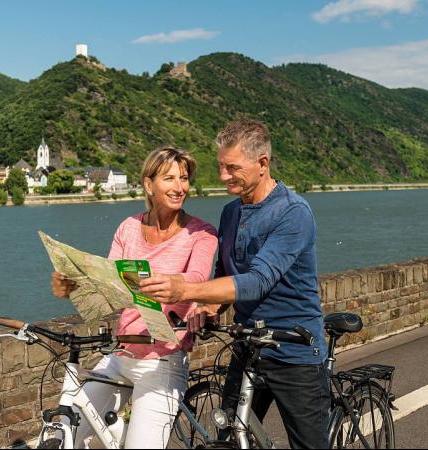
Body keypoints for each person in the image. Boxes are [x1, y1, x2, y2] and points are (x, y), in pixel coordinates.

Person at [140, 119, 330, 449]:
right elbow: (224, 271)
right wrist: (211, 305)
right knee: (228, 440)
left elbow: (257, 281)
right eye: (221, 167)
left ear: (262, 163)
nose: (224, 176)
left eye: (232, 168)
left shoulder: (293, 212)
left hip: (294, 349)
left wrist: (184, 290)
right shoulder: (231, 212)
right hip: (248, 347)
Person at [51, 146, 218, 449]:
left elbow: (196, 279)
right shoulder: (128, 228)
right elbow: (109, 283)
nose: (180, 187)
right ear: (148, 184)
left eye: (184, 178)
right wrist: (72, 285)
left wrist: (168, 283)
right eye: (169, 178)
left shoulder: (202, 233)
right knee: (63, 433)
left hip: (162, 363)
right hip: (120, 355)